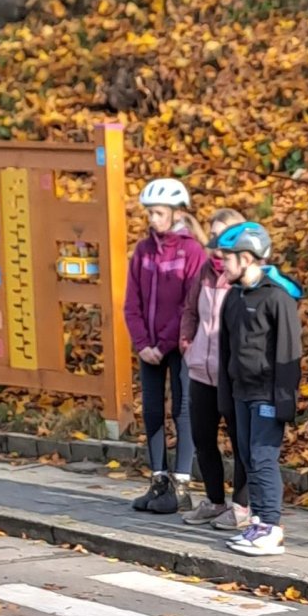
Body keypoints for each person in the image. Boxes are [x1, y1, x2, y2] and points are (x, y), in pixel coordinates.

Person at [214, 222, 302, 557]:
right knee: (248, 458)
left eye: (228, 258)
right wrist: (225, 395)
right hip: (241, 392)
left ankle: (272, 529)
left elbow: (289, 352)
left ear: (247, 258)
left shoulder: (277, 298)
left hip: (267, 394)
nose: (223, 264)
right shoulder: (233, 297)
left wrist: (285, 401)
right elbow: (225, 350)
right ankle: (258, 522)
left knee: (264, 458)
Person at [123, 177, 207, 514]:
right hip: (149, 348)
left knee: (183, 410)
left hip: (179, 345)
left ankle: (182, 485)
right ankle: (158, 480)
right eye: (150, 213)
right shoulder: (143, 251)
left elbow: (190, 303)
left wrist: (163, 343)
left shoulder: (192, 251)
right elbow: (131, 302)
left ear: (176, 213)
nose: (152, 218)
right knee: (152, 411)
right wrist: (143, 343)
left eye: (158, 212)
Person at [179, 207, 251, 531]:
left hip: (231, 375)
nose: (218, 245)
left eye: (225, 237)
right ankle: (214, 500)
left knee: (240, 441)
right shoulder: (205, 272)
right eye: (213, 236)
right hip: (201, 370)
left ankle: (241, 507)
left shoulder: (243, 279)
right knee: (203, 437)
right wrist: (187, 342)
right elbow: (190, 310)